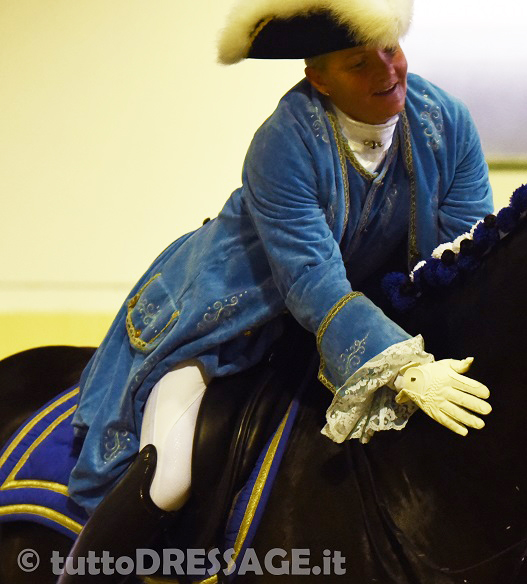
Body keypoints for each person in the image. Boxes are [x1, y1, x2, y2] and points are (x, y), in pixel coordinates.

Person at [60, 0, 493, 579]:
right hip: (219, 320)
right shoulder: (283, 142)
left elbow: (464, 257)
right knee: (170, 478)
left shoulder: (448, 122)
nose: (387, 72)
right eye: (358, 63)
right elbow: (312, 282)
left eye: (390, 50)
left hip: (337, 331)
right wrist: (403, 369)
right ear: (317, 77)